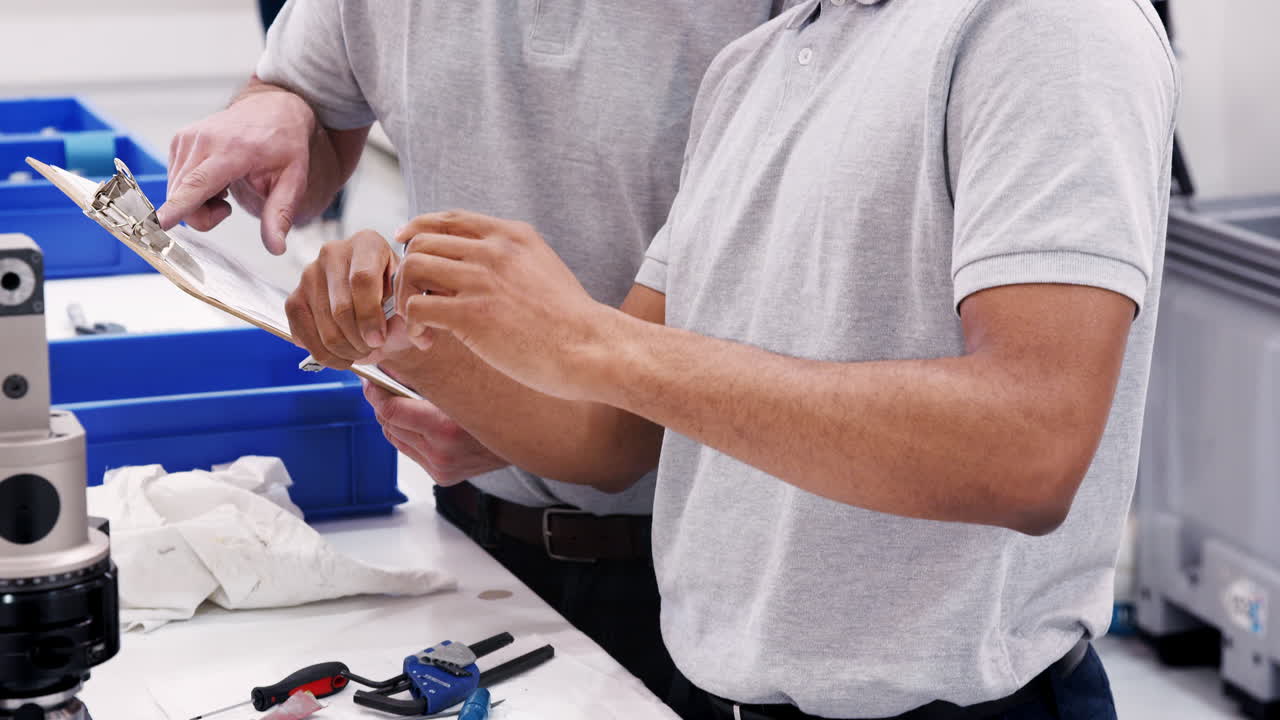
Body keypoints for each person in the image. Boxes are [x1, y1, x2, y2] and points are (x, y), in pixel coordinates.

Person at [284, 0, 1180, 718]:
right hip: (717, 692)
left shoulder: (1054, 28)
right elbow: (614, 436)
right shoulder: (758, 65)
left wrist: (598, 342)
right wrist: (410, 338)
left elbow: (1028, 450)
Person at [155, 0, 798, 708]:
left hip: (717, 560)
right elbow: (311, 94)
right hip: (482, 535)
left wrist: (522, 416)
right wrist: (280, 110)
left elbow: (806, 308)